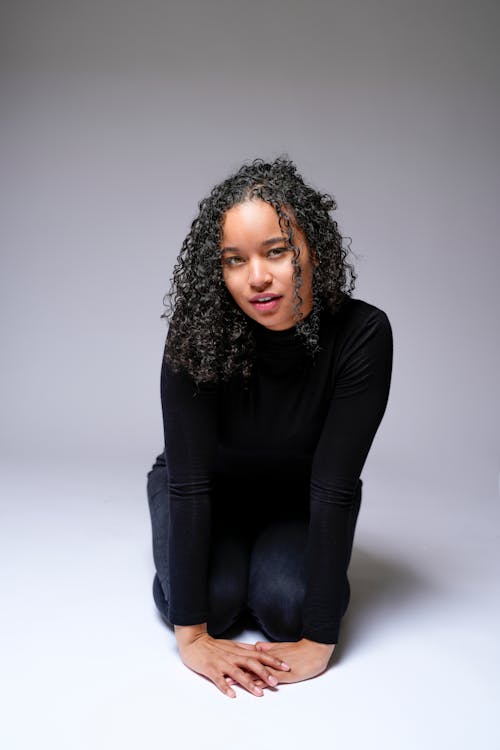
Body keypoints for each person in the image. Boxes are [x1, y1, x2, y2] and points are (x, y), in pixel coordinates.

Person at [146, 156, 393, 698]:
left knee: (289, 610)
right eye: (235, 260)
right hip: (205, 489)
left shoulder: (362, 334)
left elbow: (334, 485)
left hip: (294, 499)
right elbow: (190, 484)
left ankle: (263, 561)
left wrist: (320, 640)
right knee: (212, 604)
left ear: (314, 248)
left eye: (276, 251)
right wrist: (191, 638)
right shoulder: (196, 334)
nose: (257, 276)